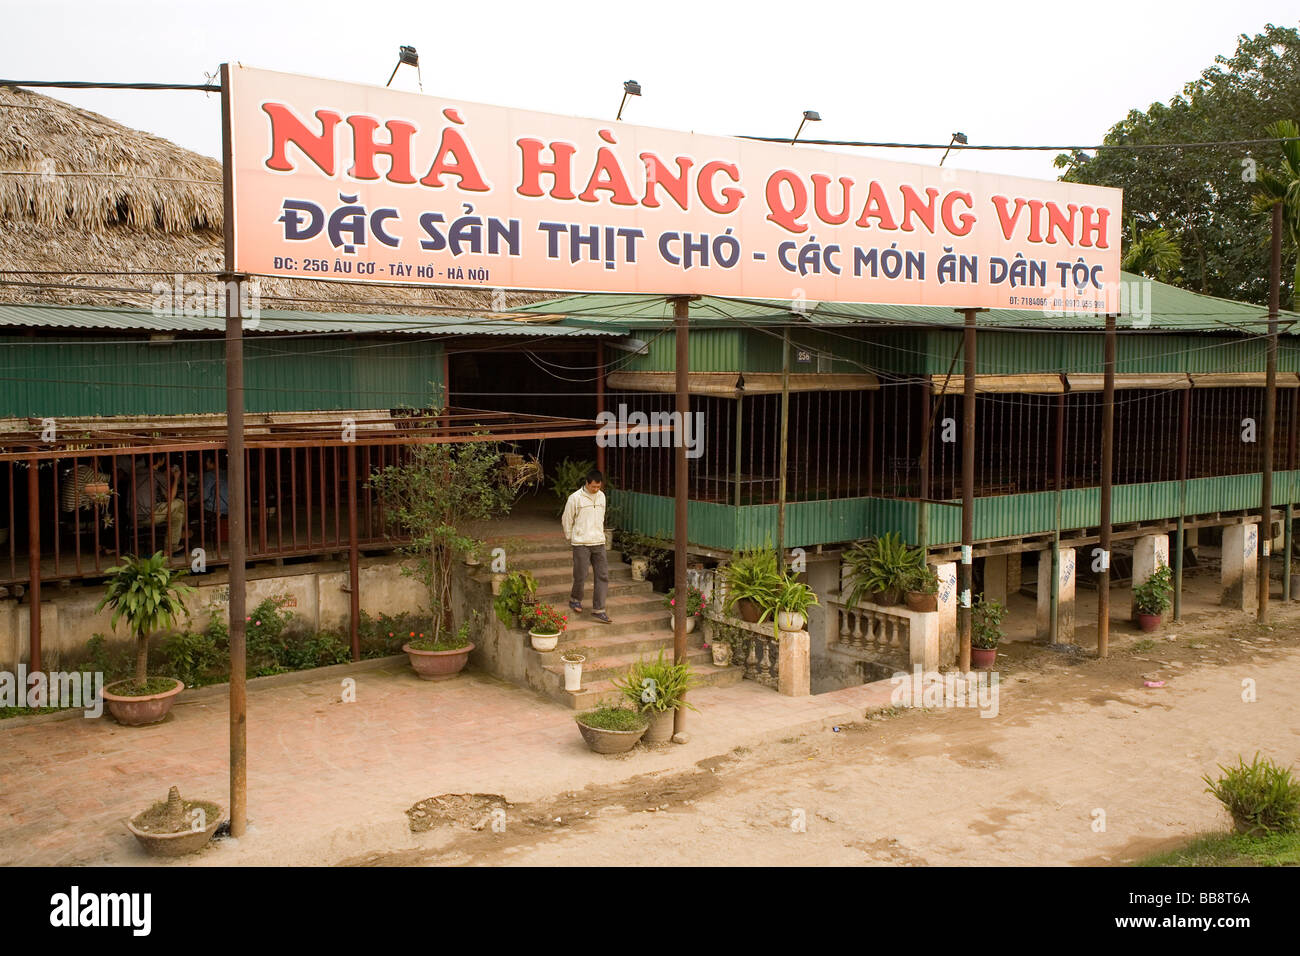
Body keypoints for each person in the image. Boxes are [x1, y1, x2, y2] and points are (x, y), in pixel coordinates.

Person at [561, 468, 611, 623]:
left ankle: (599, 609)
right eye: (593, 487)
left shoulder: (601, 497)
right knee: (581, 575)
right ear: (587, 483)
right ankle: (575, 599)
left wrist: (600, 535)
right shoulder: (575, 498)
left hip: (599, 542)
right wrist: (571, 537)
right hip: (581, 543)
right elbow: (566, 519)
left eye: (598, 486)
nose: (596, 489)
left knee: (603, 575)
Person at [133, 455, 186, 556]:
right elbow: (170, 498)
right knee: (179, 503)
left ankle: (173, 542)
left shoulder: (137, 472)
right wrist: (175, 478)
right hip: (147, 516)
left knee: (177, 516)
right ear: (160, 460)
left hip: (132, 514)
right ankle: (173, 544)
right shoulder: (157, 475)